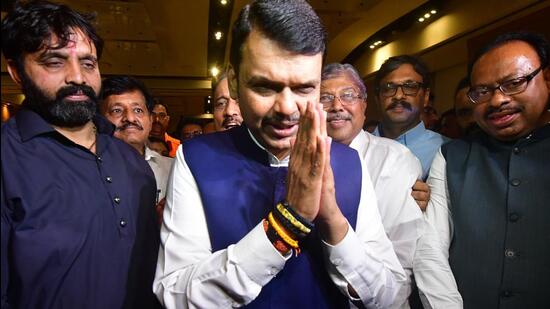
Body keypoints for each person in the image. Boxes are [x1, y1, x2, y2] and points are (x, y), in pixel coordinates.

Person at [153, 1, 405, 308]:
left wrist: (334, 221)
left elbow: (389, 296)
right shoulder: (196, 159)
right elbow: (175, 295)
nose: (286, 109)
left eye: (304, 88)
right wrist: (286, 224)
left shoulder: (349, 163)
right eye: (265, 87)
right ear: (233, 82)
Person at [0, 2, 159, 308]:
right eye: (54, 62)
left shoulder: (131, 162)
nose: (78, 77)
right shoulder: (8, 159)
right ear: (17, 71)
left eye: (88, 64)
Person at [321, 63, 462, 308]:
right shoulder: (294, 160)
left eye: (348, 95)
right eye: (325, 97)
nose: (336, 106)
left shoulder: (396, 159)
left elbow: (400, 269)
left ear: (364, 104)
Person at [426, 31, 550, 308]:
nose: (496, 101)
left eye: (514, 83)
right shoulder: (451, 156)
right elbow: (430, 252)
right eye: (482, 91)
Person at [99, 75, 174, 222]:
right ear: (100, 119)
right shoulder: (88, 169)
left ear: (150, 120)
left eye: (138, 110)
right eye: (117, 110)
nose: (130, 118)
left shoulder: (173, 168)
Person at [373, 55, 448, 180]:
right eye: (389, 88)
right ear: (377, 98)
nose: (398, 96)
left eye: (409, 87)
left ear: (425, 96)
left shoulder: (445, 150)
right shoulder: (357, 148)